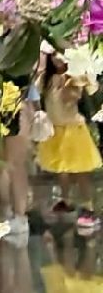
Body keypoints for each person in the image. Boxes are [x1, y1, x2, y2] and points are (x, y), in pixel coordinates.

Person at [38, 52, 102, 235]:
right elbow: (37, 91)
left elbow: (85, 91)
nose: (58, 59)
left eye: (61, 56)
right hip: (55, 129)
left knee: (80, 171)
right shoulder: (46, 78)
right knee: (62, 170)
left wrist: (75, 81)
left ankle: (88, 206)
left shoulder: (74, 76)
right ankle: (66, 200)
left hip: (73, 129)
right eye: (54, 55)